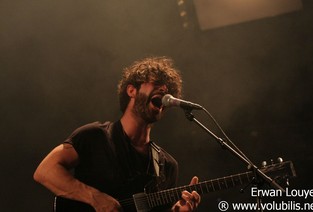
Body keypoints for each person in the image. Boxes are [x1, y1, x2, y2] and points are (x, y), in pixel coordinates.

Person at [33, 56, 201, 212]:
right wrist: (95, 198)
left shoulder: (168, 166)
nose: (164, 90)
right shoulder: (95, 136)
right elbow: (45, 171)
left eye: (167, 89)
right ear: (131, 91)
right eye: (157, 83)